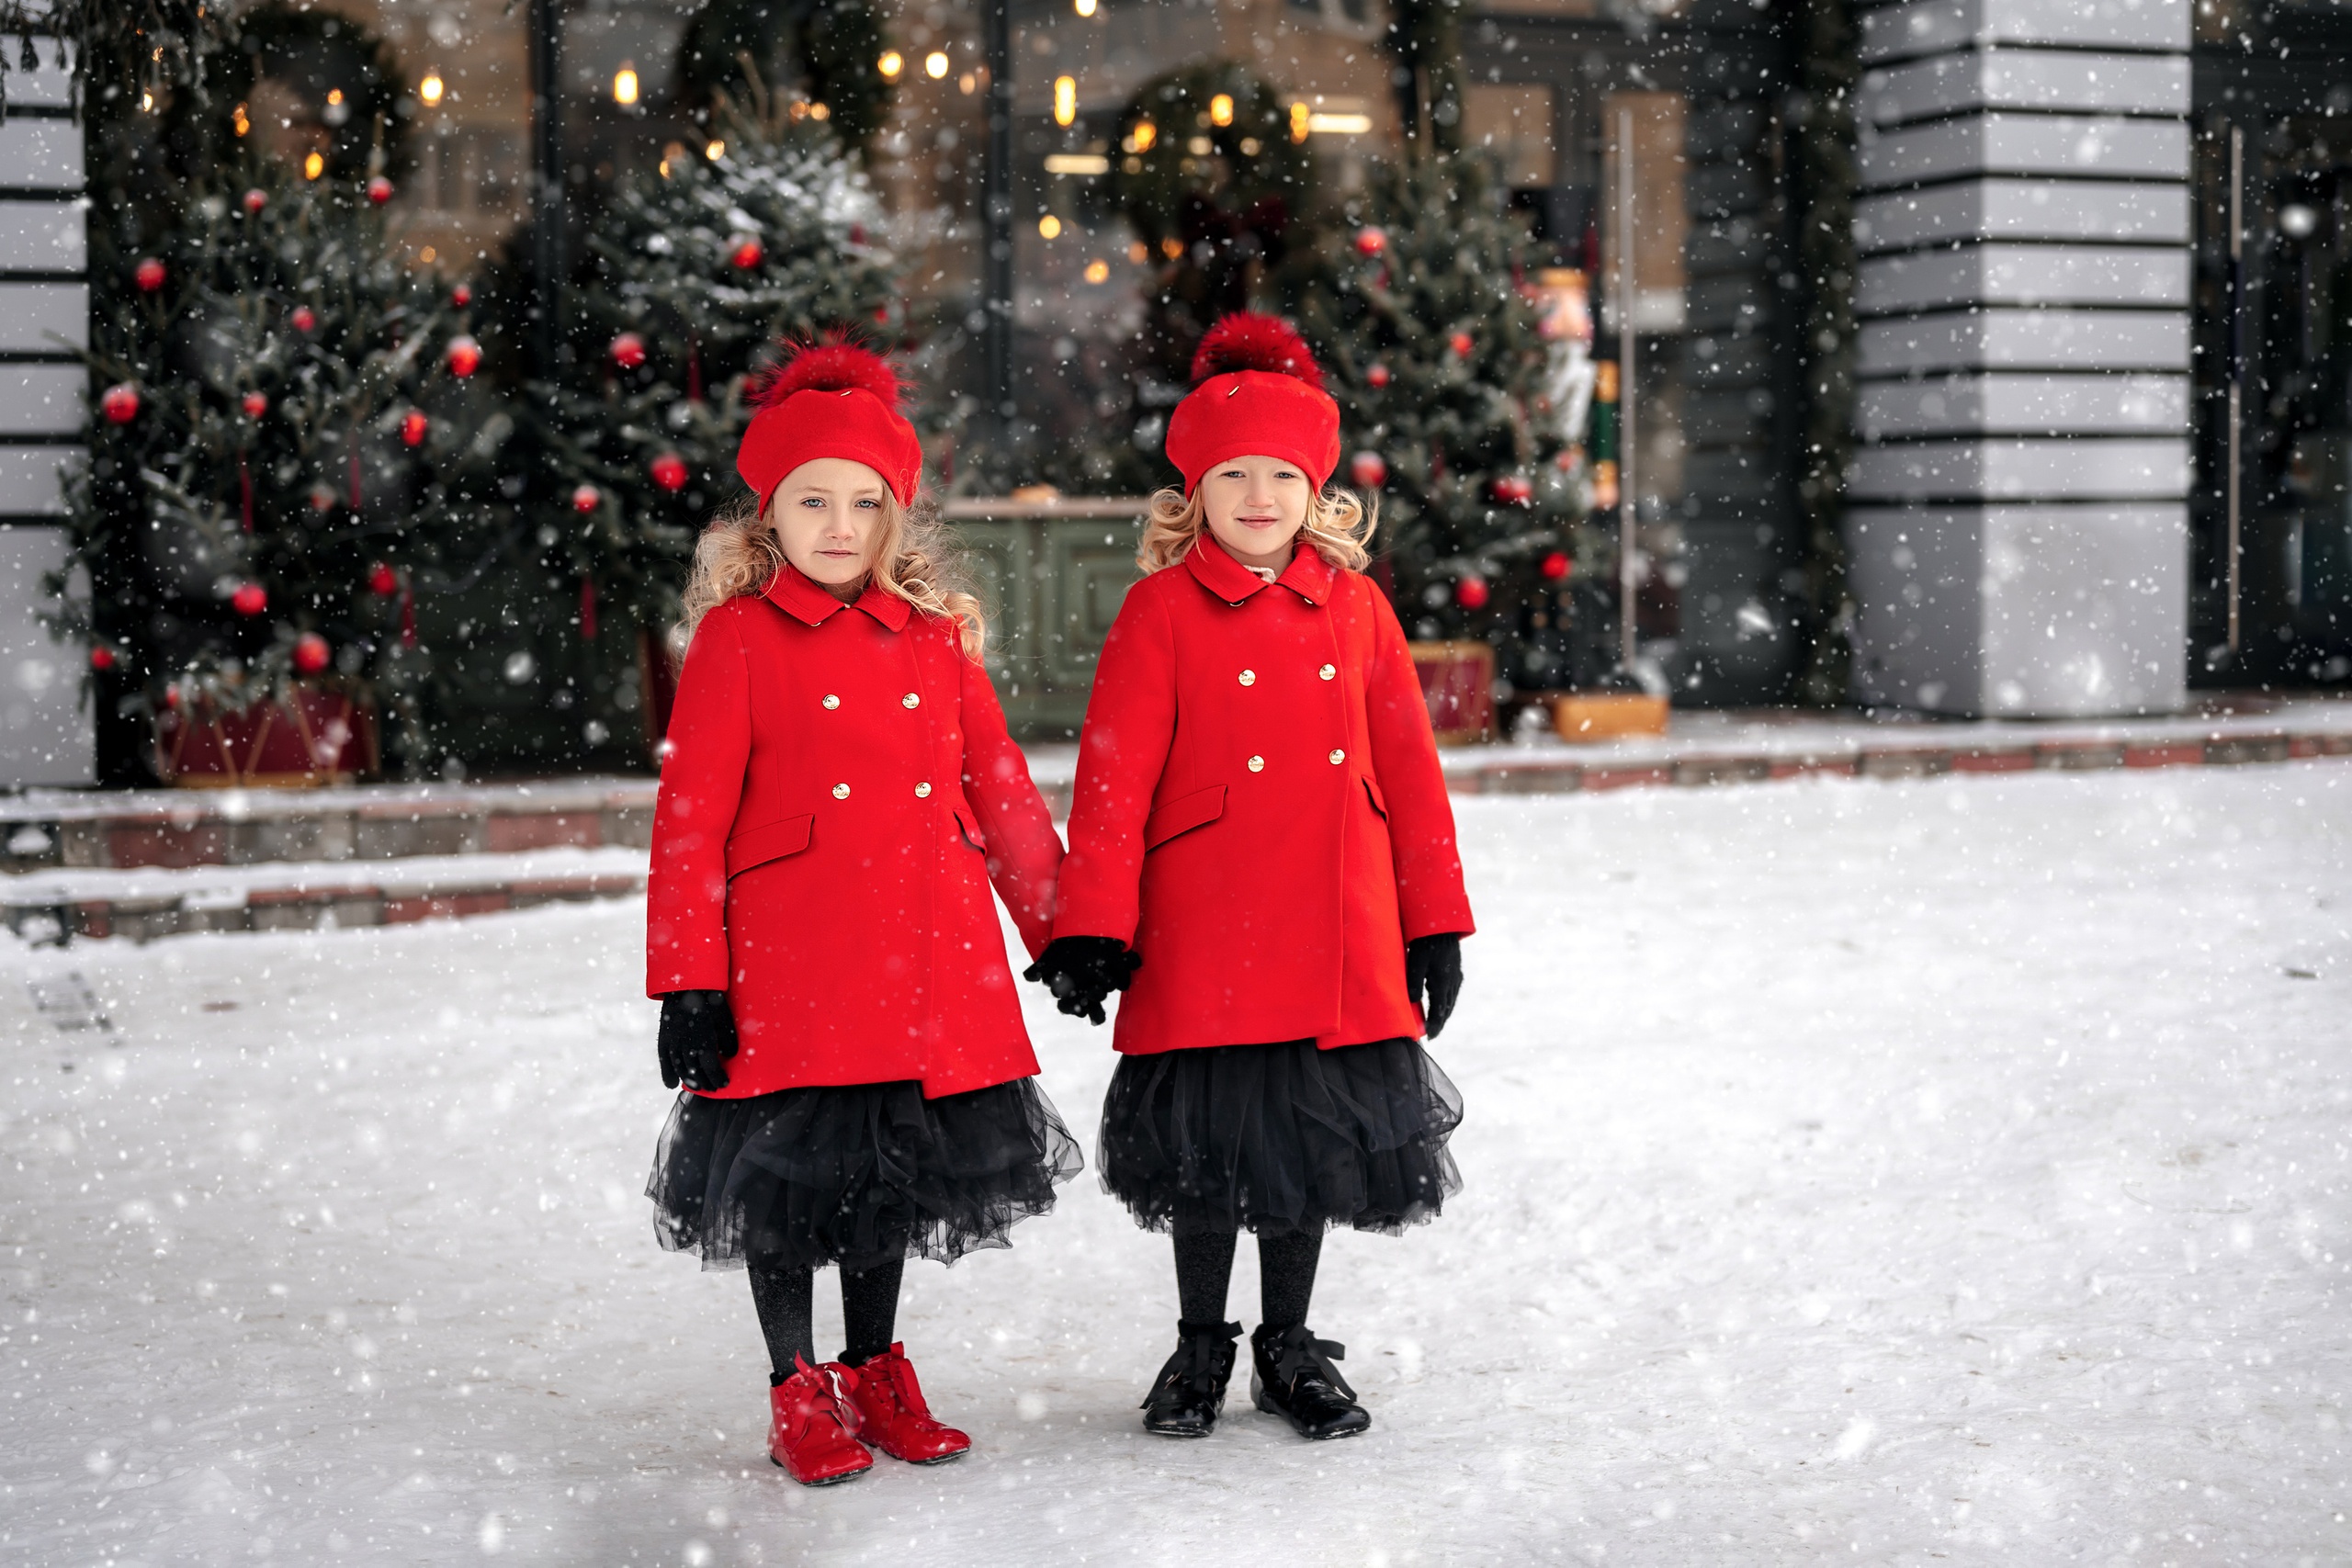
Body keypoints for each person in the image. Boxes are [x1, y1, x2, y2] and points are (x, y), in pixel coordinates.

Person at [1028, 313, 1474, 1442]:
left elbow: (1411, 777)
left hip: (1337, 923)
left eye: (1283, 473)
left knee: (1311, 1147)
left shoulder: (1360, 611)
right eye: (1233, 473)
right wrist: (1092, 927)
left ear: (1317, 489)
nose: (1260, 495)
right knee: (1209, 1153)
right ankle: (1198, 1343)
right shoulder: (1159, 611)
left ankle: (1286, 1342)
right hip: (1206, 925)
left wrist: (1435, 923)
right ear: (1195, 491)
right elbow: (1115, 783)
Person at [643, 339, 1080, 1484]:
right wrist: (688, 979)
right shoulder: (736, 643)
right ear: (768, 514)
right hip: (789, 967)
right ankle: (797, 1386)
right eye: (812, 500)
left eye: (864, 503)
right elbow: (688, 824)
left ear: (896, 517)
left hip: (926, 959)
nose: (839, 525)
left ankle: (876, 1367)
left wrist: (1065, 926)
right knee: (786, 1190)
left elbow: (1001, 793)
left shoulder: (936, 642)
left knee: (889, 1179)